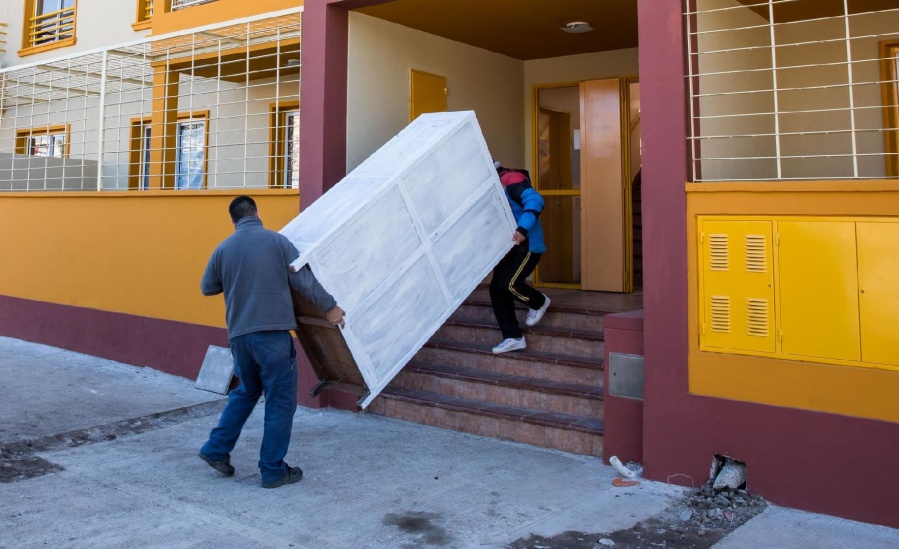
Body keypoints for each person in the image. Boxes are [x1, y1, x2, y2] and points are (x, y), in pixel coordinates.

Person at [198, 195, 345, 489]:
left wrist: (236, 277)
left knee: (247, 391)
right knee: (279, 400)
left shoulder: (223, 249)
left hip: (240, 336)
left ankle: (216, 448)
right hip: (273, 337)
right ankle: (273, 469)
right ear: (257, 213)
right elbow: (303, 280)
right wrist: (330, 307)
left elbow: (207, 288)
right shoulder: (277, 243)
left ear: (233, 221)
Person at [490, 164, 551, 354]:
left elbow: (535, 200)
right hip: (509, 247)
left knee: (508, 284)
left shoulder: (511, 179)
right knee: (496, 289)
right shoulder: (491, 186)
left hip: (527, 244)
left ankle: (538, 301)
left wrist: (522, 228)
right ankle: (513, 337)